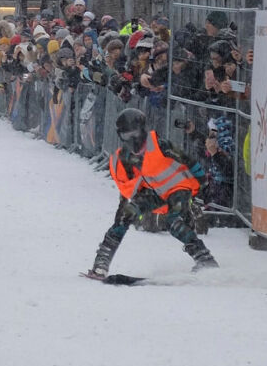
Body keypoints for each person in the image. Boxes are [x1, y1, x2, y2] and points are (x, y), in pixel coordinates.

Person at [87, 108, 218, 278]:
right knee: (124, 217)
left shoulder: (161, 145)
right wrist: (126, 210)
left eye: (134, 133)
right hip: (157, 192)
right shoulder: (125, 158)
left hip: (179, 188)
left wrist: (203, 183)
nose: (132, 139)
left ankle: (205, 259)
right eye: (127, 136)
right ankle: (101, 263)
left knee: (173, 221)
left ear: (142, 130)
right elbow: (129, 188)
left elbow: (188, 160)